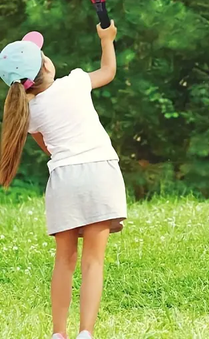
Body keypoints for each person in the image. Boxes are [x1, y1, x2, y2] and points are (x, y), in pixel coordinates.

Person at [0, 22, 127, 339]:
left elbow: (49, 148)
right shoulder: (75, 82)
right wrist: (106, 39)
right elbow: (108, 70)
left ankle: (59, 334)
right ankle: (85, 333)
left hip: (63, 179)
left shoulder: (26, 113)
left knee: (64, 261)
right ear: (46, 64)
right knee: (93, 261)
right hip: (100, 170)